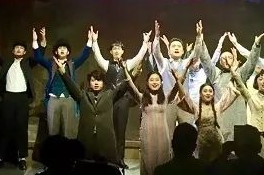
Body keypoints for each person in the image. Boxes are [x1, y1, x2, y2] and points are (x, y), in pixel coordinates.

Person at [90, 26, 151, 168]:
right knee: (108, 131)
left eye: (119, 48)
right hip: (109, 101)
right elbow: (97, 56)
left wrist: (144, 43)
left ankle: (120, 159)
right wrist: (94, 42)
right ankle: (108, 158)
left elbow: (139, 57)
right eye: (114, 49)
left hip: (123, 101)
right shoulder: (107, 65)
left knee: (121, 131)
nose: (117, 50)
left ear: (123, 51)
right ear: (111, 52)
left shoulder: (127, 64)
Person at [195, 20, 263, 141]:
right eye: (223, 58)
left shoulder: (241, 74)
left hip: (238, 118)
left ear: (233, 59)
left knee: (239, 147)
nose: (226, 60)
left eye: (229, 57)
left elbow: (252, 62)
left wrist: (256, 46)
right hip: (221, 118)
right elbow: (205, 60)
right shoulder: (216, 74)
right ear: (220, 62)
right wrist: (200, 40)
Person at [54, 57, 128, 165]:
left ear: (103, 82)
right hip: (86, 141)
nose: (96, 83)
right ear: (89, 83)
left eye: (99, 80)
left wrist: (134, 73)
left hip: (105, 142)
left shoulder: (109, 95)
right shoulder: (83, 96)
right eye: (93, 80)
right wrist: (63, 72)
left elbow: (124, 86)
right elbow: (71, 86)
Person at [0, 25, 37, 171]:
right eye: (17, 48)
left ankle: (22, 158)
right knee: (5, 128)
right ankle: (0, 158)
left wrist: (36, 41)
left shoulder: (28, 63)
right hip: (8, 98)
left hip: (22, 98)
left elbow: (39, 56)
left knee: (21, 128)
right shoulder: (7, 63)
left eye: (22, 48)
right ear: (13, 51)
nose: (19, 49)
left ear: (25, 52)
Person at [123, 61, 186, 175]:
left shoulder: (165, 97)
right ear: (147, 83)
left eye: (157, 80)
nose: (154, 82)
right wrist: (124, 69)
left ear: (161, 82)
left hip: (163, 135)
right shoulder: (142, 97)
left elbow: (177, 87)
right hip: (147, 134)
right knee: (148, 159)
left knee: (163, 159)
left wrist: (178, 76)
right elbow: (130, 85)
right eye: (151, 80)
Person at [33, 27, 92, 139]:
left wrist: (90, 41)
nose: (62, 49)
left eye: (64, 48)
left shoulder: (72, 64)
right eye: (60, 48)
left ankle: (67, 150)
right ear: (56, 51)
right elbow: (38, 58)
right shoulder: (51, 64)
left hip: (68, 99)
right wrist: (37, 41)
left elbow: (84, 56)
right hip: (53, 99)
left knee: (68, 132)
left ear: (68, 52)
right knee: (52, 132)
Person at [152, 20, 196, 135]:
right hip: (168, 103)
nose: (176, 48)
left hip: (184, 103)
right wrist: (156, 37)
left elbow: (196, 53)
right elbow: (156, 52)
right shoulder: (164, 63)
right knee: (167, 134)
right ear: (169, 50)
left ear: (183, 51)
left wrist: (199, 37)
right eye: (173, 46)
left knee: (187, 134)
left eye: (179, 46)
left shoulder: (186, 63)